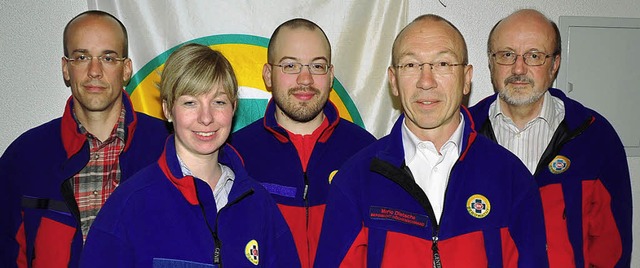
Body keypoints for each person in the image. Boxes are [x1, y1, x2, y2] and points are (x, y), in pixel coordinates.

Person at [315, 14, 549, 267]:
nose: (426, 82)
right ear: (393, 80)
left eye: (443, 64)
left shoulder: (512, 178)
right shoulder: (355, 179)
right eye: (411, 65)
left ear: (467, 78)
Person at [80, 43, 299, 267]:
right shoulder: (130, 205)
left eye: (219, 102)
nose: (206, 117)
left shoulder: (258, 203)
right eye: (190, 102)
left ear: (234, 108)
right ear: (167, 109)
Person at [0, 10, 169, 267]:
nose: (94, 71)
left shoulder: (167, 147)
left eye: (108, 58)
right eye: (81, 57)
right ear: (66, 69)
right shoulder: (24, 157)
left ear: (126, 70)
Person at [469, 9, 632, 267]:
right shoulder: (462, 135)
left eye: (534, 56)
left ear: (554, 64)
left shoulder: (596, 139)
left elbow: (611, 250)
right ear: (491, 62)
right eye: (507, 55)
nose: (518, 68)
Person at [230, 18, 376, 268]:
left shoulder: (365, 152)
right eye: (290, 65)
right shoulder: (236, 155)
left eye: (317, 66)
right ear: (268, 75)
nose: (305, 79)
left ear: (330, 76)